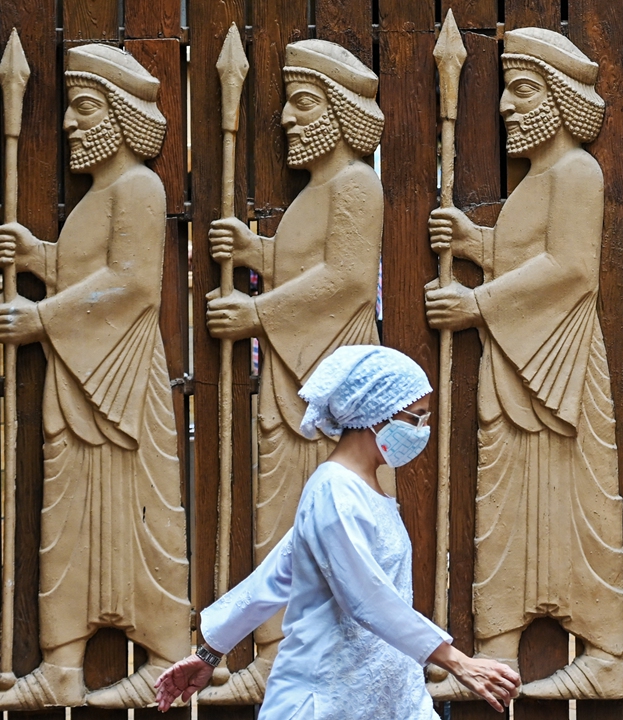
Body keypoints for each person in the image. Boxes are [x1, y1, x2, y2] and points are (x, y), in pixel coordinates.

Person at [423, 27, 623, 700]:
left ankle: (603, 653)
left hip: (558, 367)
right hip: (517, 365)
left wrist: (476, 301)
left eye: (523, 91)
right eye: (508, 91)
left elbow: (568, 270)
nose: (507, 106)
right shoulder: (542, 179)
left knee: (575, 506)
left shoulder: (577, 171)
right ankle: (497, 650)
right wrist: (479, 242)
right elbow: (528, 256)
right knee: (506, 505)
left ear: (563, 100)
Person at [153, 346, 520, 717]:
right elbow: (366, 595)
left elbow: (278, 575)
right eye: (416, 417)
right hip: (327, 697)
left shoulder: (361, 489)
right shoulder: (333, 491)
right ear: (377, 412)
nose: (422, 430)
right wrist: (458, 662)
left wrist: (210, 652)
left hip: (388, 693)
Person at [0, 44, 189, 709]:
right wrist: (43, 258)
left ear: (120, 115)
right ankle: (62, 667)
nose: (72, 125)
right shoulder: (100, 196)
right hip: (78, 375)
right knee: (69, 515)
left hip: (118, 380)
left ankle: (168, 656)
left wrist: (42, 316)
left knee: (141, 519)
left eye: (84, 109)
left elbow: (132, 284)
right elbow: (90, 273)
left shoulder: (140, 186)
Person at [202, 38, 386, 702]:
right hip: (292, 377)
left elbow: (344, 281)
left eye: (302, 103)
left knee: (329, 525)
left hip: (331, 382)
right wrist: (261, 252)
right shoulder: (318, 192)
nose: (286, 119)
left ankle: (332, 662)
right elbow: (310, 264)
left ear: (340, 113)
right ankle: (278, 656)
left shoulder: (358, 184)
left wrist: (256, 312)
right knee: (285, 522)